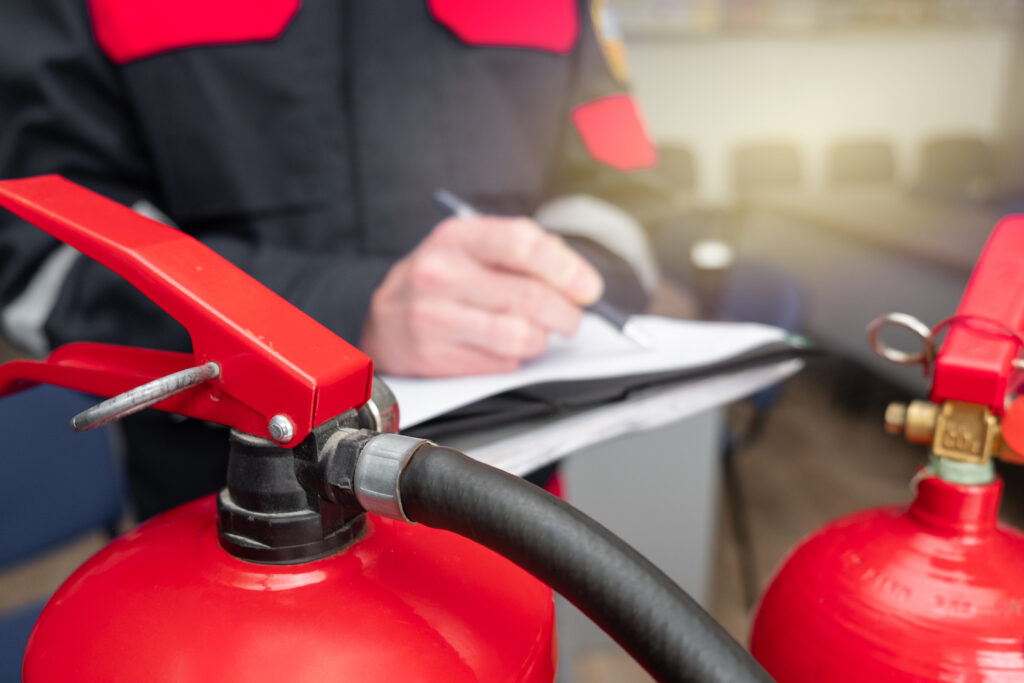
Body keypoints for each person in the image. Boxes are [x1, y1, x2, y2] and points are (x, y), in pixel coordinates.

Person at [0, 0, 674, 517]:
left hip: (513, 516)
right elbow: (44, 250)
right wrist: (345, 313)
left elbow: (624, 190)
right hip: (223, 536)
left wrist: (567, 279)